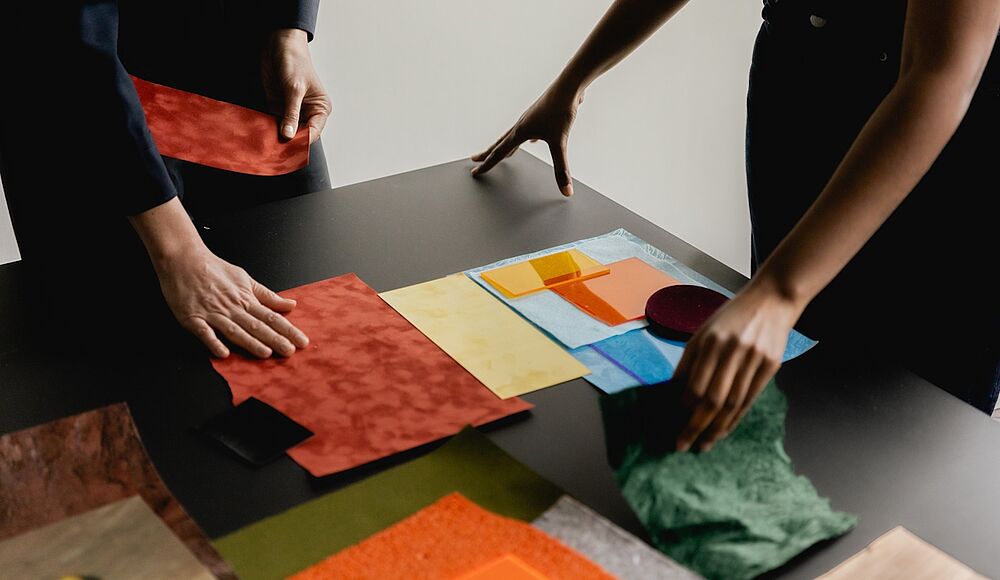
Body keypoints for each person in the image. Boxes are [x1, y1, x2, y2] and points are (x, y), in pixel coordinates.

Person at [472, 0, 1000, 450]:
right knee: (786, 378)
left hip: (939, 149)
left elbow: (939, 71)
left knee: (915, 429)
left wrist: (779, 291)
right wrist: (573, 81)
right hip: (797, 84)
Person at [0, 1, 331, 359]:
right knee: (134, 368)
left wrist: (290, 30)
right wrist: (177, 250)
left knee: (320, 320)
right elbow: (61, 34)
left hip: (250, 93)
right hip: (82, 109)